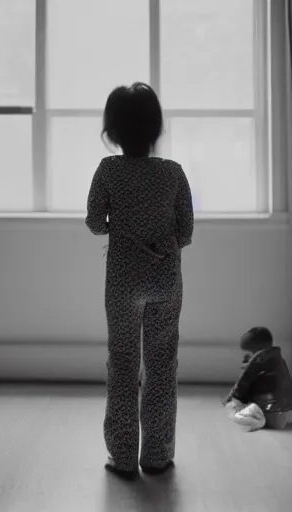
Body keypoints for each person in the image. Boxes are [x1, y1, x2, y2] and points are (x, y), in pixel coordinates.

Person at [85, 82, 194, 479]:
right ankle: (157, 455)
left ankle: (124, 455)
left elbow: (96, 223)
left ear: (111, 132)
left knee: (124, 363)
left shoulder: (108, 170)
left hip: (123, 282)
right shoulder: (173, 173)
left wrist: (123, 228)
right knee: (162, 365)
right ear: (156, 130)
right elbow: (186, 233)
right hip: (166, 279)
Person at [222, 327, 292, 432]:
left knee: (232, 408)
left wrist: (230, 399)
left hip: (267, 411)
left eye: (247, 353)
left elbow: (243, 383)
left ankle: (256, 420)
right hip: (280, 416)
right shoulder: (278, 358)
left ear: (254, 350)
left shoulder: (258, 360)